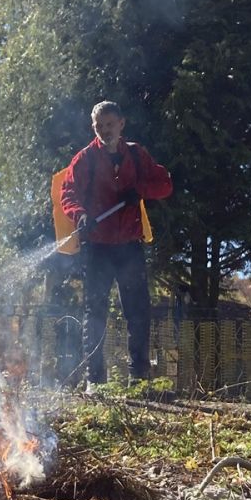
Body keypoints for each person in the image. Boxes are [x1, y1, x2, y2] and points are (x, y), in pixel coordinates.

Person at [60, 100, 173, 387]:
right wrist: (80, 215)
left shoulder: (136, 155)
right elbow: (68, 193)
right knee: (95, 312)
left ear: (121, 124)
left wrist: (140, 190)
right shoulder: (84, 159)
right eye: (99, 126)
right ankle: (95, 381)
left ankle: (139, 377)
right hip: (97, 247)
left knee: (138, 311)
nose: (104, 130)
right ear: (93, 128)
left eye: (109, 124)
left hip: (129, 247)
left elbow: (165, 184)